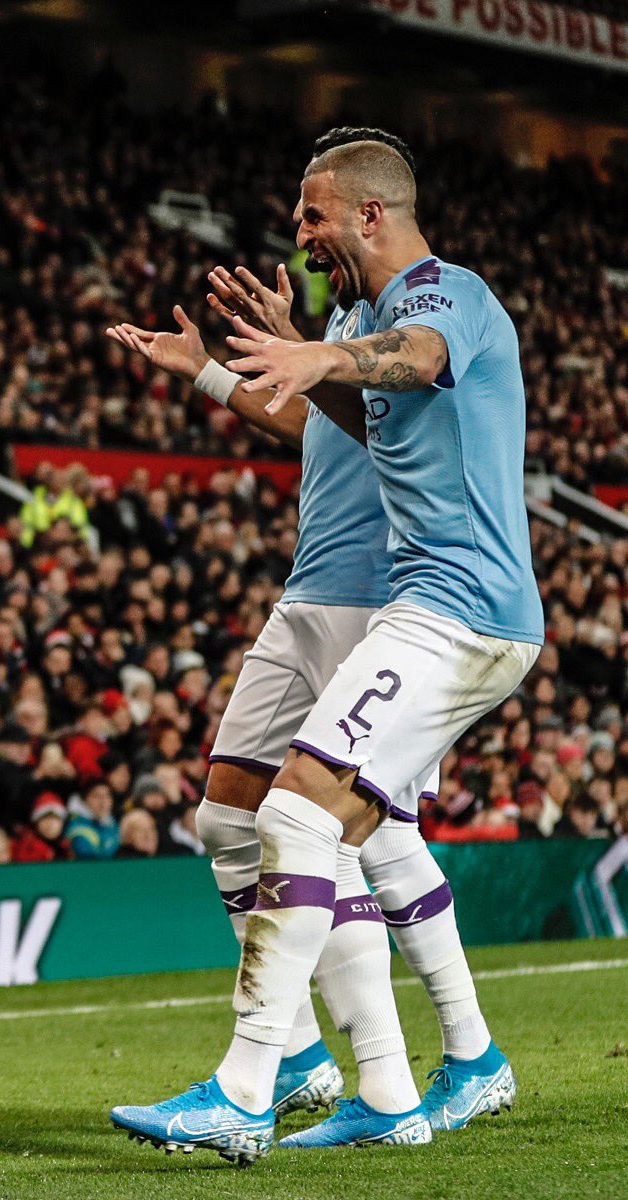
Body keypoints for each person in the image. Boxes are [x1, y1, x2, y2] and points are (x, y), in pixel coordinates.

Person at [106, 130, 540, 1160]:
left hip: (453, 608)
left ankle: (276, 1082)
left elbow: (422, 361)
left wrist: (320, 352)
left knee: (320, 824)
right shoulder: (364, 318)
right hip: (417, 608)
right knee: (262, 816)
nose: (296, 231)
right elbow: (350, 418)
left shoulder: (444, 297)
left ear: (370, 213)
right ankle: (344, 1085)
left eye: (311, 213)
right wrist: (228, 373)